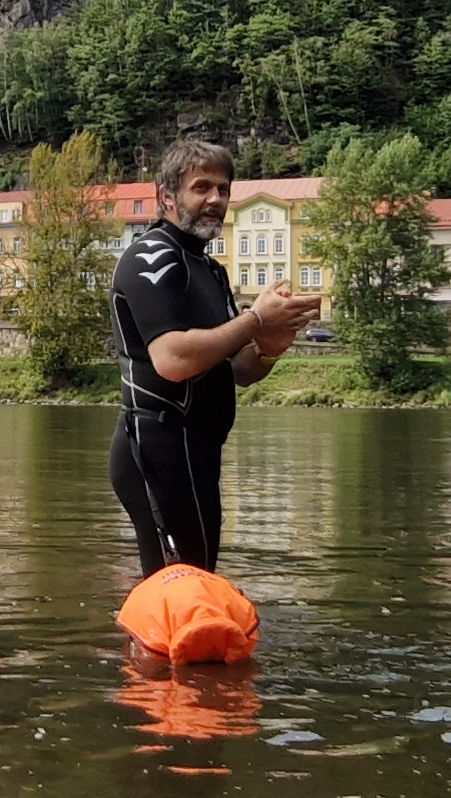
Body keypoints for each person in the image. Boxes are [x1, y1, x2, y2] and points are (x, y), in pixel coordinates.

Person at [110, 138, 315, 575]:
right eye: (201, 188)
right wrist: (255, 319)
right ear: (167, 196)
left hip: (197, 452)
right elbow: (172, 360)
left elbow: (236, 370)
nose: (215, 200)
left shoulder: (208, 269)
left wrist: (267, 349)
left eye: (223, 190)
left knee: (195, 579)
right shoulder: (151, 257)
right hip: (156, 451)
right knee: (180, 590)